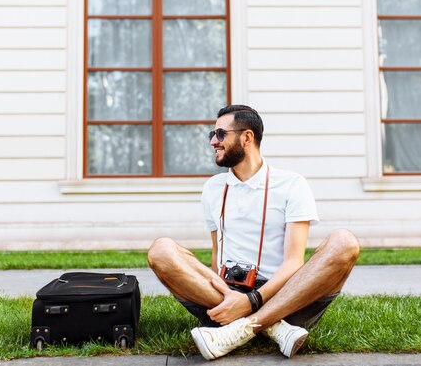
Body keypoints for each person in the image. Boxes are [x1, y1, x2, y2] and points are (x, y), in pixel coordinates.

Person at [147, 104, 360, 360]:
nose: (214, 141)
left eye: (221, 134)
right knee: (160, 250)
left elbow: (294, 261)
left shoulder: (291, 184)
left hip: (285, 297)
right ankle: (274, 328)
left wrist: (252, 301)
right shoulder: (212, 189)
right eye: (212, 135)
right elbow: (217, 254)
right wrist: (230, 298)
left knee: (344, 242)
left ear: (247, 137)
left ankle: (243, 327)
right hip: (225, 297)